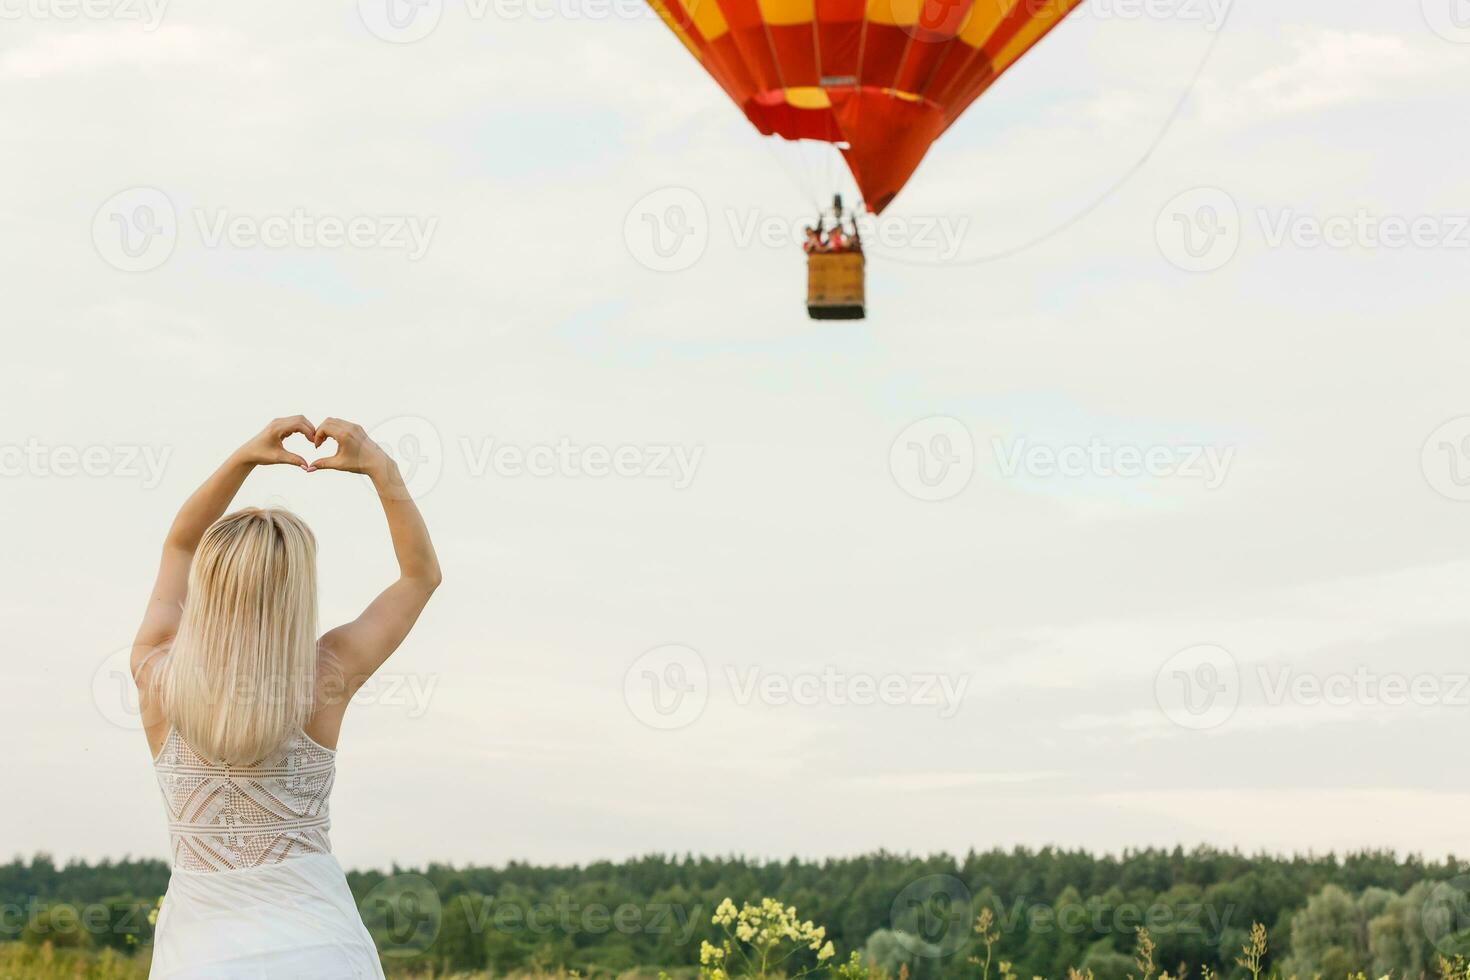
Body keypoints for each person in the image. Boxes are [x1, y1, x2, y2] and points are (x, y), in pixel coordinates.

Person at [130, 416, 442, 979]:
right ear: (298, 591)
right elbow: (419, 576)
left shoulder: (155, 672)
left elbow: (180, 540)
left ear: (208, 580)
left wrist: (244, 457)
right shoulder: (326, 675)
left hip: (201, 963)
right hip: (323, 953)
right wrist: (380, 468)